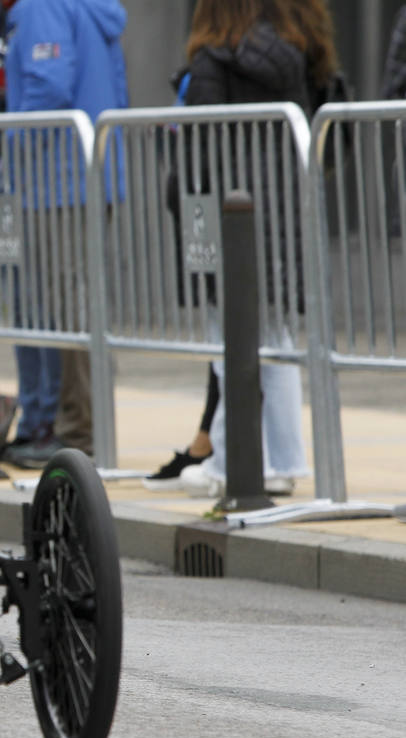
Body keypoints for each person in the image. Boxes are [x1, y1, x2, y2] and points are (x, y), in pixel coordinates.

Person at [166, 0, 332, 499]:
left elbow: (201, 144)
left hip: (230, 212)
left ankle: (229, 462)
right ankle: (281, 459)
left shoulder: (215, 58)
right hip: (282, 209)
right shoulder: (295, 47)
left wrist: (179, 194)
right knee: (273, 336)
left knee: (232, 338)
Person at [0, 0, 128, 469]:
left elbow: (49, 85)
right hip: (90, 171)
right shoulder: (83, 6)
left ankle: (80, 433)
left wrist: (10, 153)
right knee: (77, 304)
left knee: (67, 307)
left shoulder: (42, 6)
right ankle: (85, 427)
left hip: (57, 180)